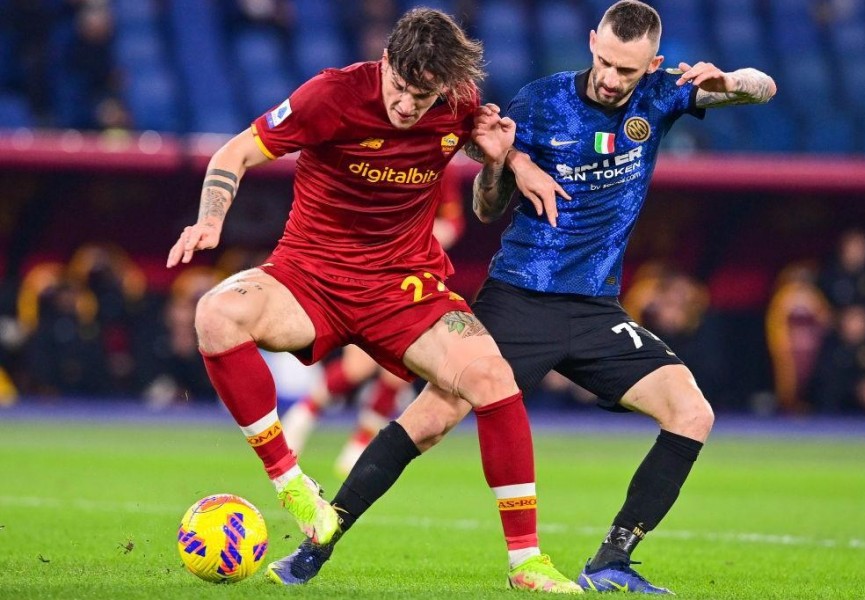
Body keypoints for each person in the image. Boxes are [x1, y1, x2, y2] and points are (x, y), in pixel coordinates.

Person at [281, 1, 777, 594]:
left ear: (654, 64)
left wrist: (731, 83)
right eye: (607, 62)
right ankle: (317, 546)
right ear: (593, 42)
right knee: (431, 420)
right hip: (519, 298)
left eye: (629, 70)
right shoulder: (540, 102)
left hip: (595, 309)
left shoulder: (662, 96)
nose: (614, 79)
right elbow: (487, 208)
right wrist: (504, 166)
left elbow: (764, 89)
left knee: (692, 413)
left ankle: (611, 562)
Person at [166, 7, 579, 593]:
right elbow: (233, 153)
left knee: (494, 380)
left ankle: (526, 563)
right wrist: (211, 221)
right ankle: (292, 484)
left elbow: (487, 206)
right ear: (385, 63)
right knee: (215, 313)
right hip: (310, 275)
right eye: (403, 90)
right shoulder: (329, 96)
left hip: (403, 285)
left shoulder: (459, 103)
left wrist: (500, 162)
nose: (411, 106)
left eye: (425, 95)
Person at [280, 170, 467, 477]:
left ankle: (359, 444)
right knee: (357, 367)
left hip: (417, 277)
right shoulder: (382, 161)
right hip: (375, 273)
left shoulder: (440, 164)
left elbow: (453, 220)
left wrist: (422, 237)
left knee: (398, 374)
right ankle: (304, 414)